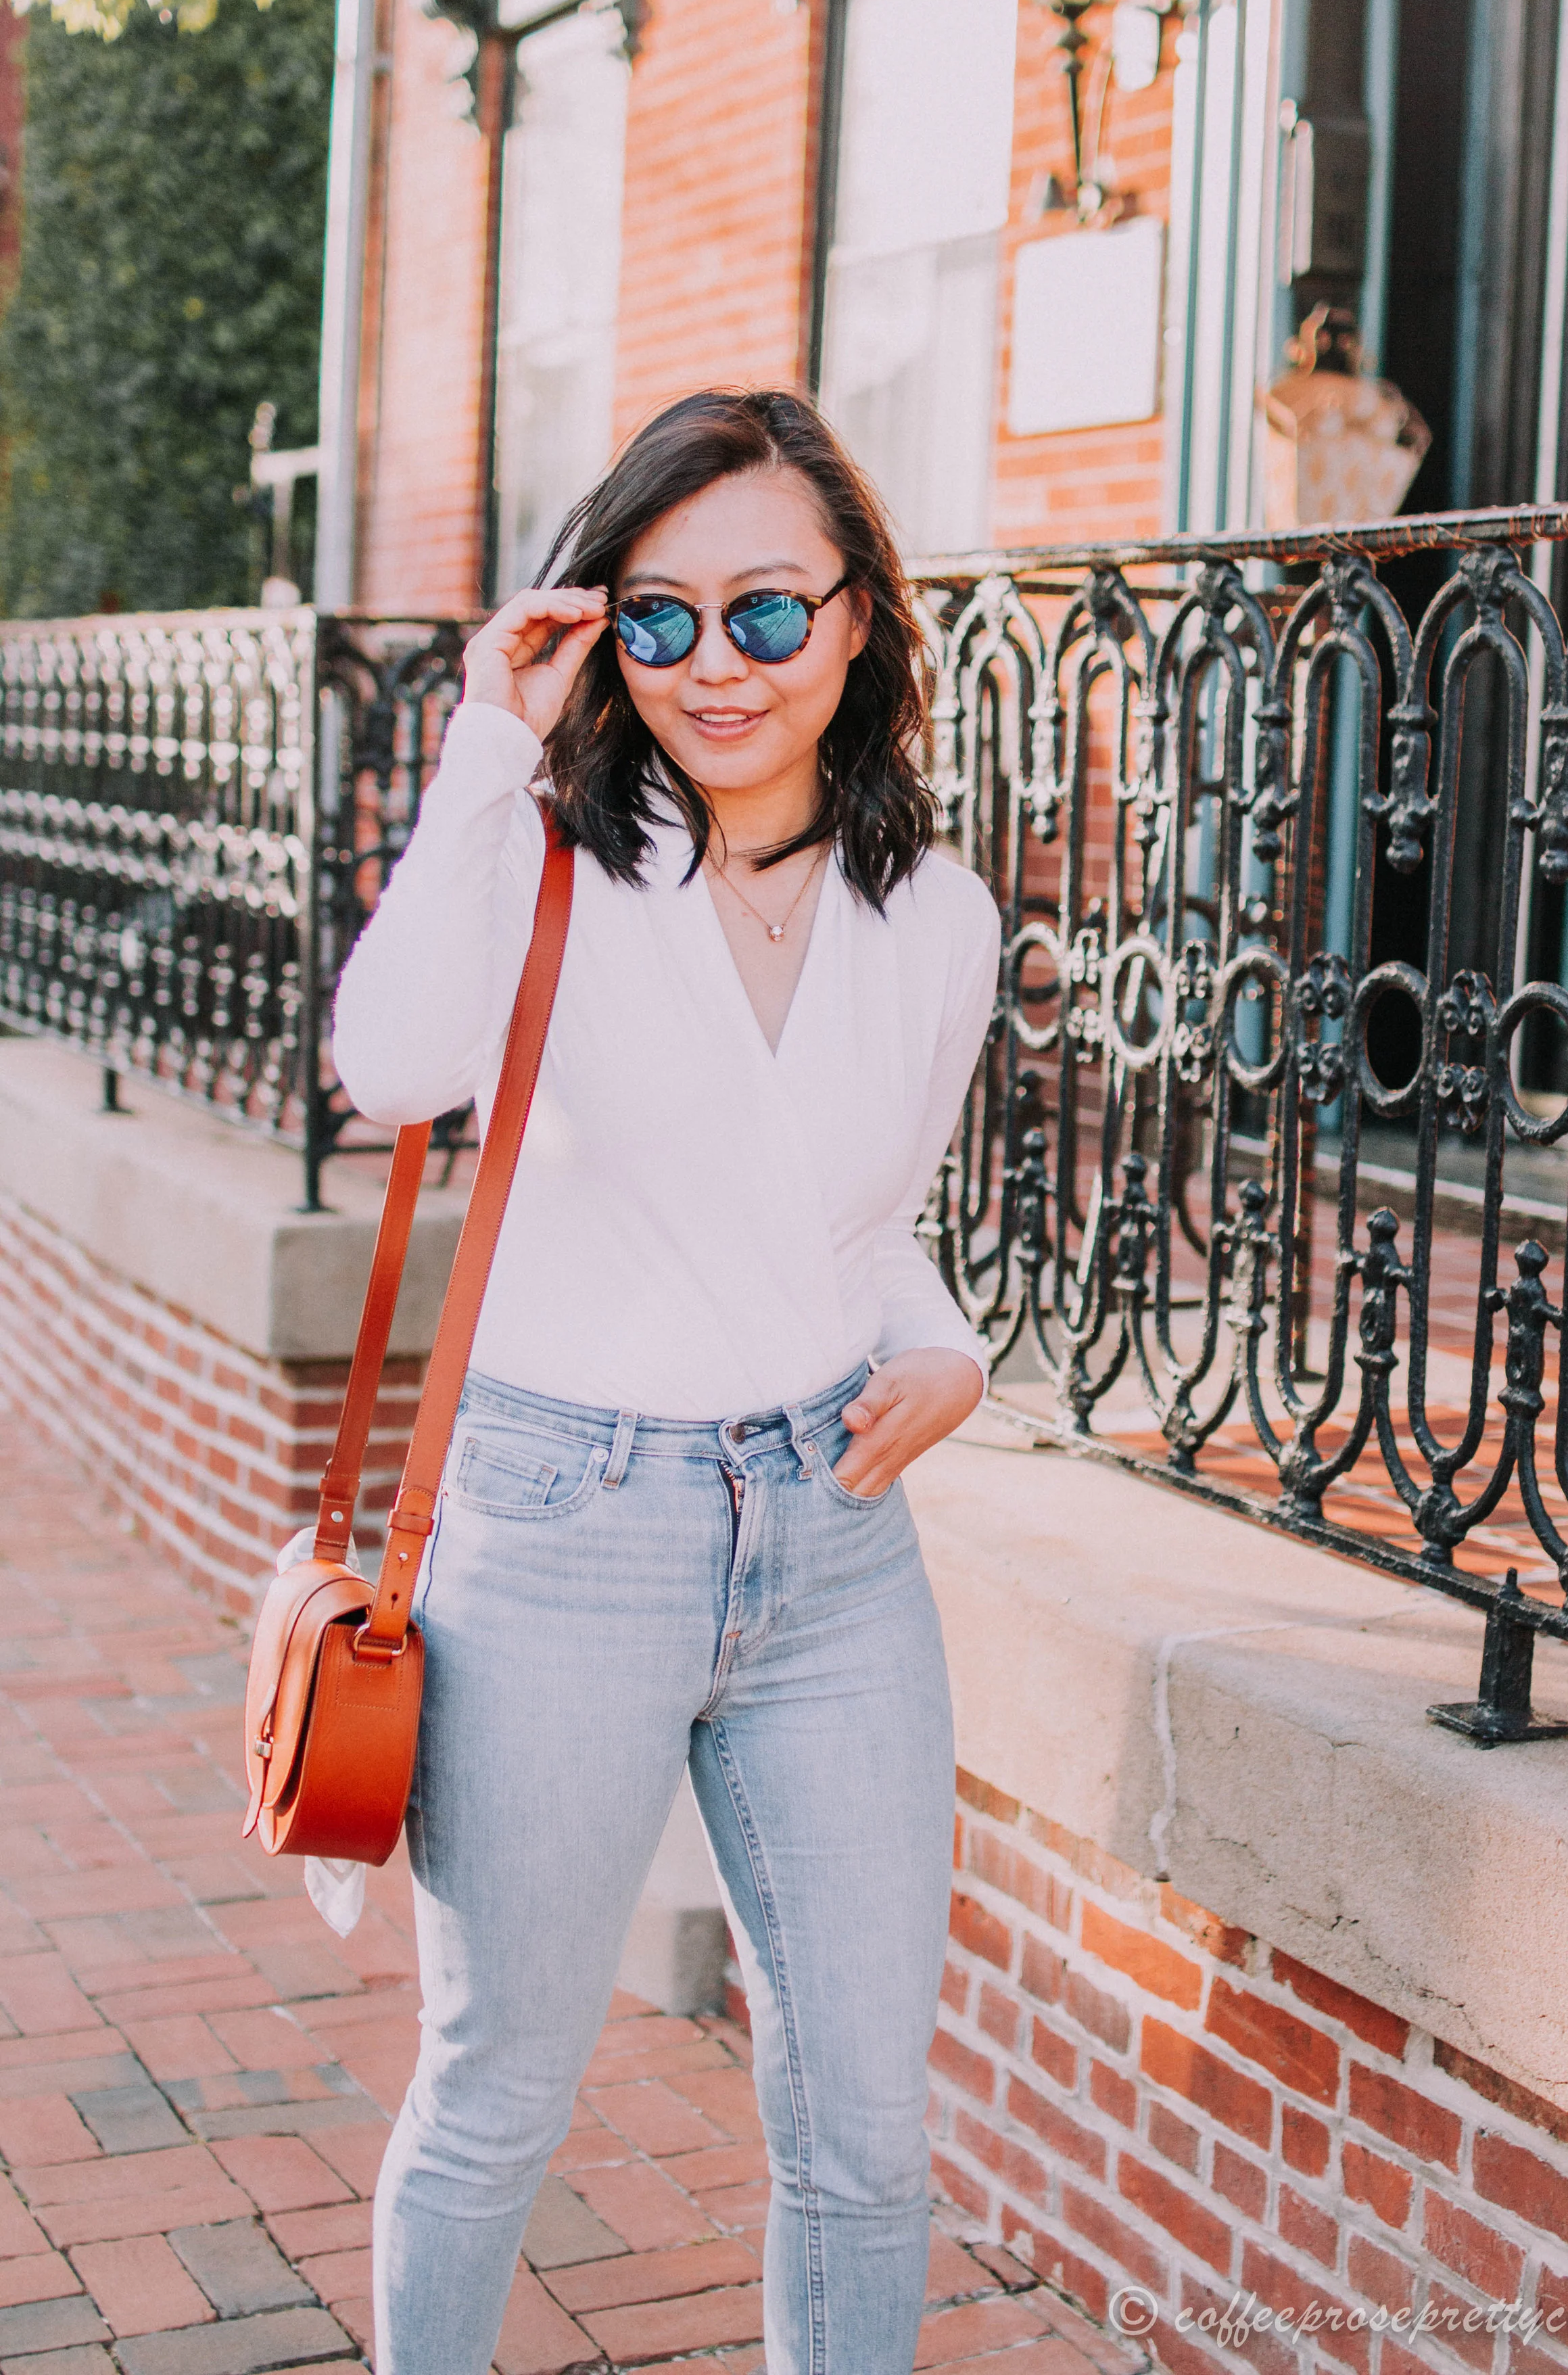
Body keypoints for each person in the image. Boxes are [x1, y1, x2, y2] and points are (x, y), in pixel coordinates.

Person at [330, 387, 1001, 2375]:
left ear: (859, 617)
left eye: (768, 613)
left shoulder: (934, 913)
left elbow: (863, 1227)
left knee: (868, 2130)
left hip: (833, 1545)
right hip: (558, 1530)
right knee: (497, 2092)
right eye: (659, 617)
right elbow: (387, 1065)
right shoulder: (552, 863)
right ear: (602, 637)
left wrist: (946, 1349)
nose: (716, 664)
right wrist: (483, 737)